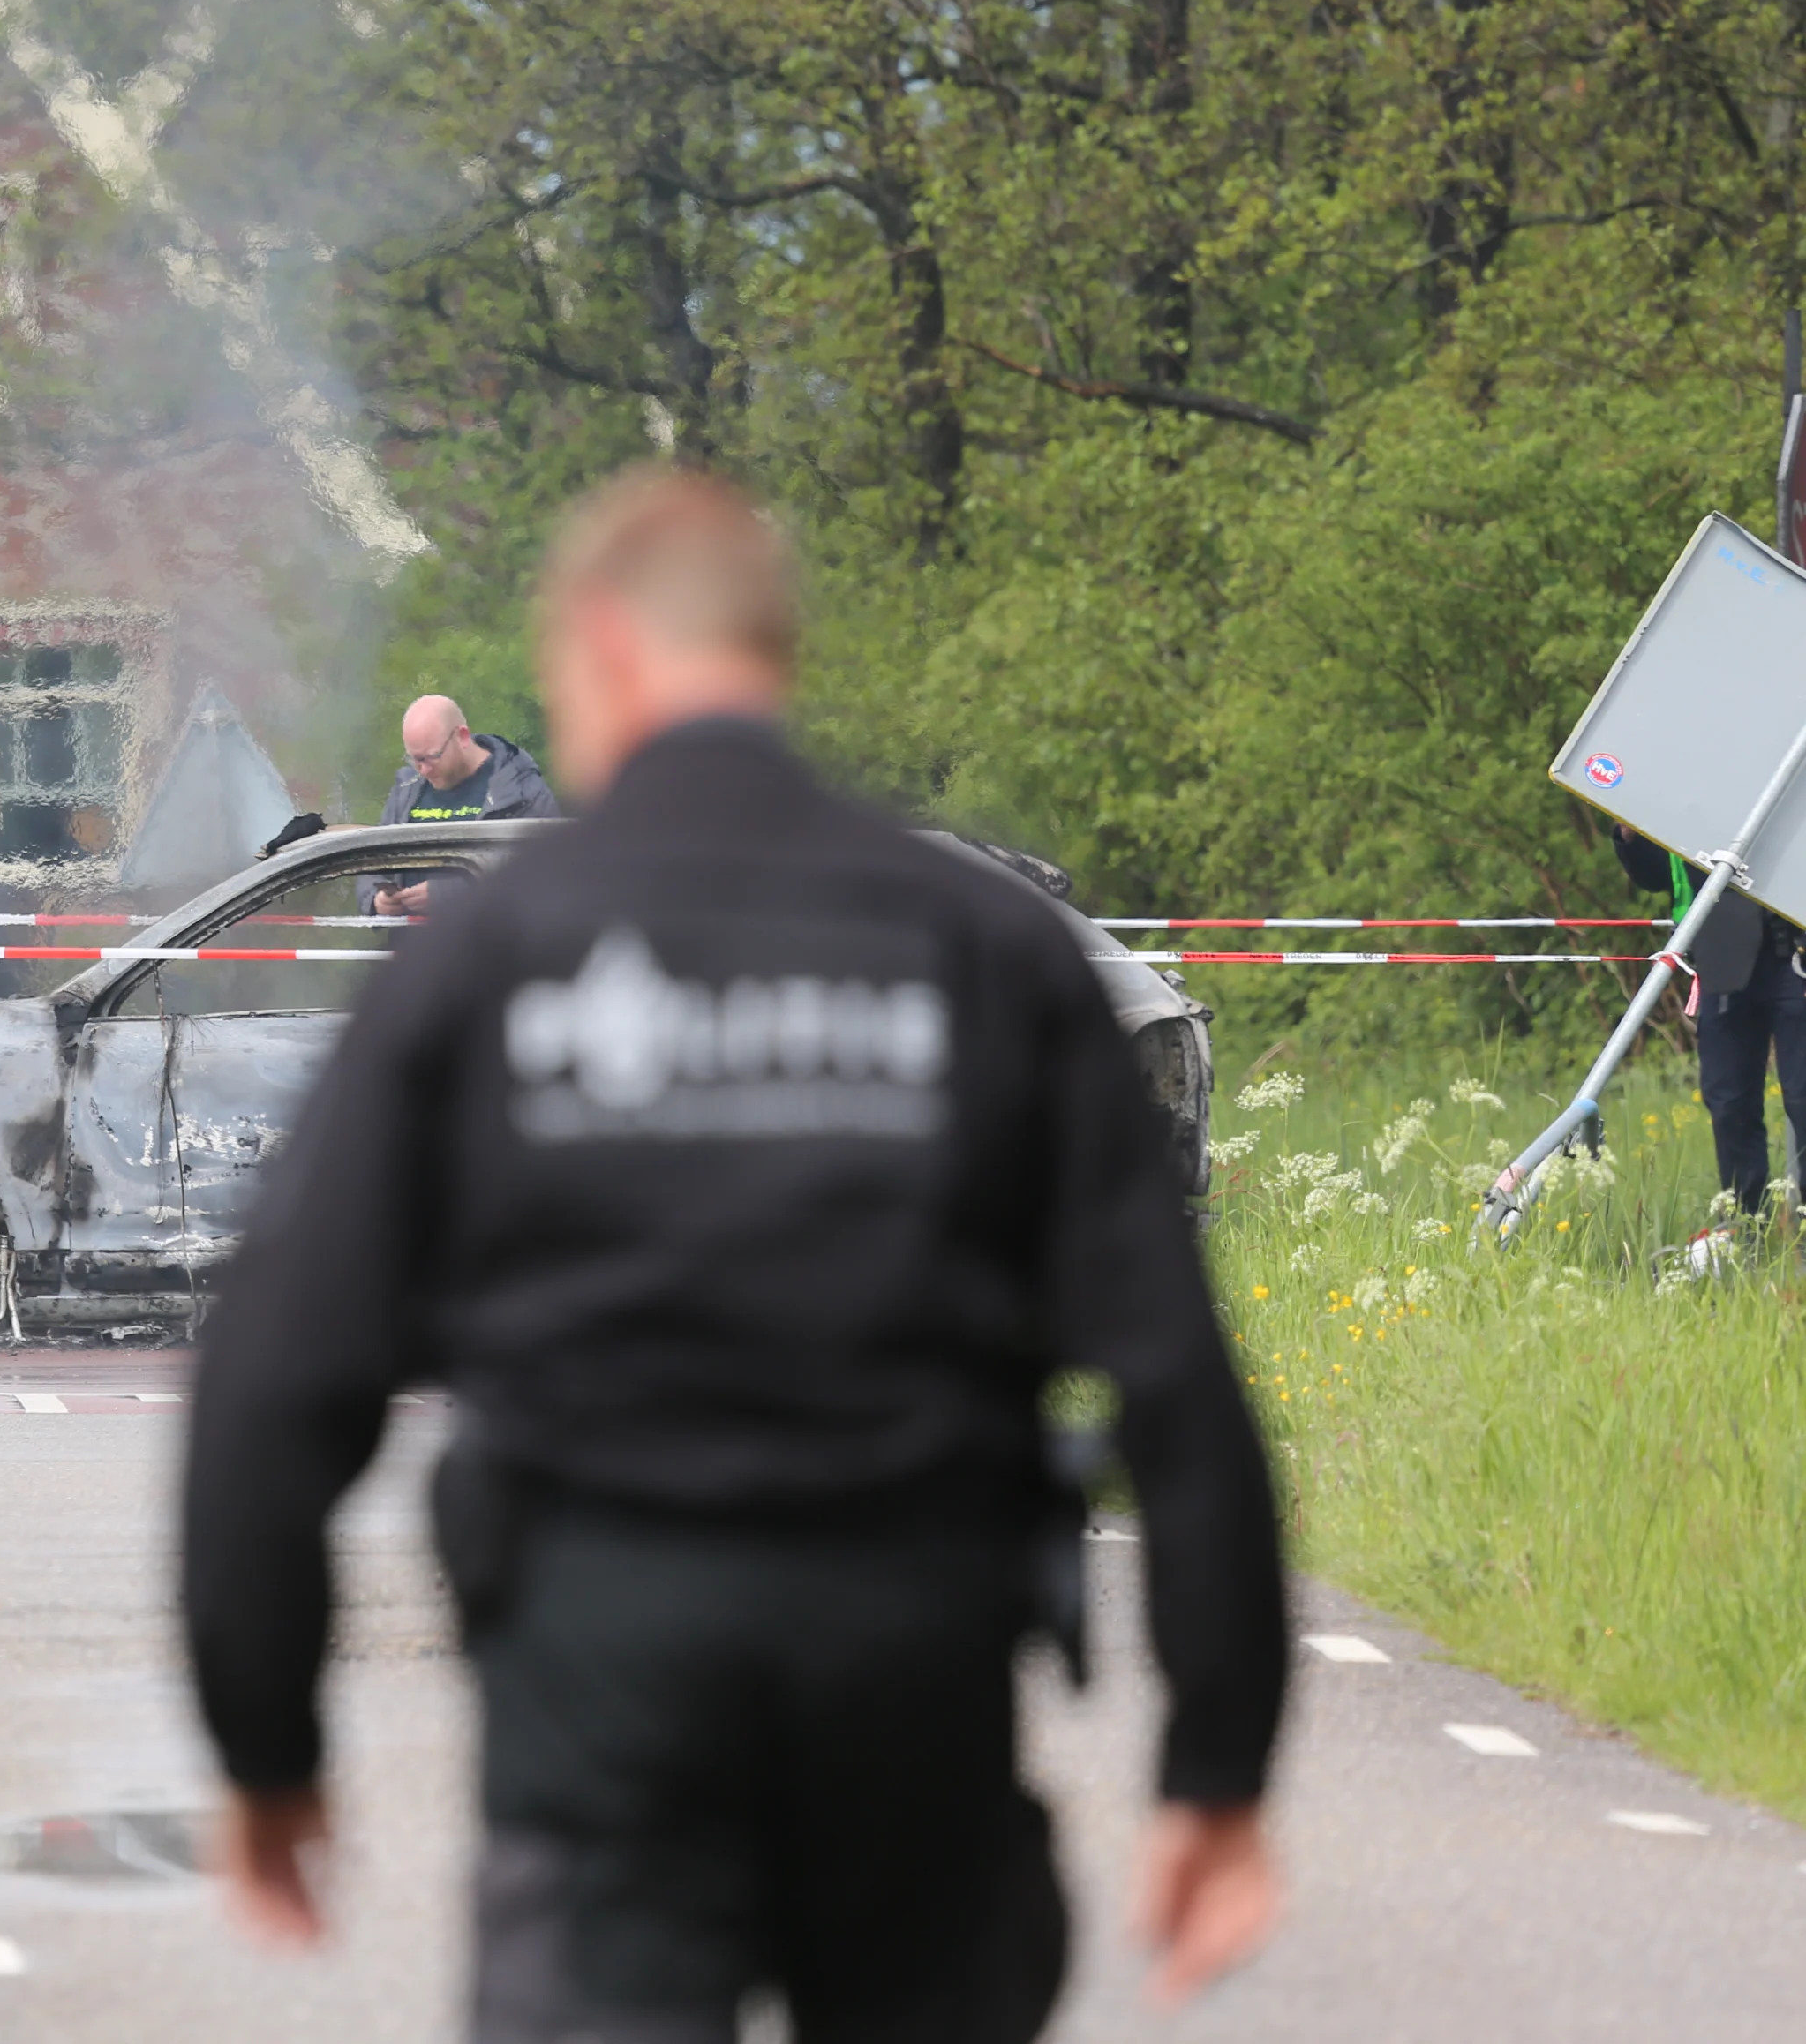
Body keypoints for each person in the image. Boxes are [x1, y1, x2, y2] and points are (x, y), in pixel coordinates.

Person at [181, 469, 1289, 2042]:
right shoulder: (980, 947)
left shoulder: (487, 962)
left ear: (598, 648)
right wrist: (1220, 1774)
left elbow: (277, 1386)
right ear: (774, 651)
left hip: (600, 1680)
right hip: (914, 1668)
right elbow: (1176, 1384)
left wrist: (267, 1755)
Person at [1614, 824, 1803, 1243]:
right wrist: (1631, 836)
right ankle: (1744, 1227)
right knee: (1729, 1100)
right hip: (1722, 957)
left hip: (1796, 950)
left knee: (1804, 1094)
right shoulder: (1694, 787)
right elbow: (1655, 876)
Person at [363, 695, 560, 915]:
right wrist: (376, 899)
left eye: (431, 757)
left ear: (462, 737)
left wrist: (448, 894)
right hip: (411, 947)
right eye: (414, 759)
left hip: (489, 945)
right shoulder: (406, 790)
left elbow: (541, 874)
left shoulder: (520, 791)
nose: (423, 770)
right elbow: (373, 859)